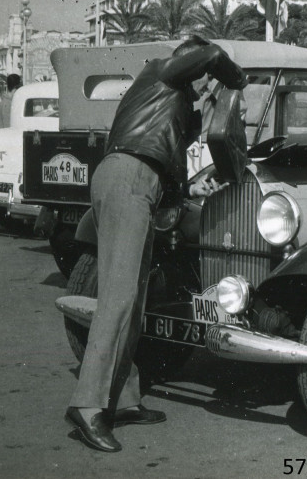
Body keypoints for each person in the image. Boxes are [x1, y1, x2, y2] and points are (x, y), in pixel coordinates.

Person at [64, 36, 247, 453]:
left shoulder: (173, 98)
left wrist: (206, 109)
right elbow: (213, 56)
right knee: (119, 298)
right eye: (199, 74)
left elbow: (179, 147)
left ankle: (123, 399)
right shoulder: (162, 70)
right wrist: (237, 79)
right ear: (187, 62)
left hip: (138, 182)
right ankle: (88, 405)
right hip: (130, 175)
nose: (203, 81)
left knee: (136, 298)